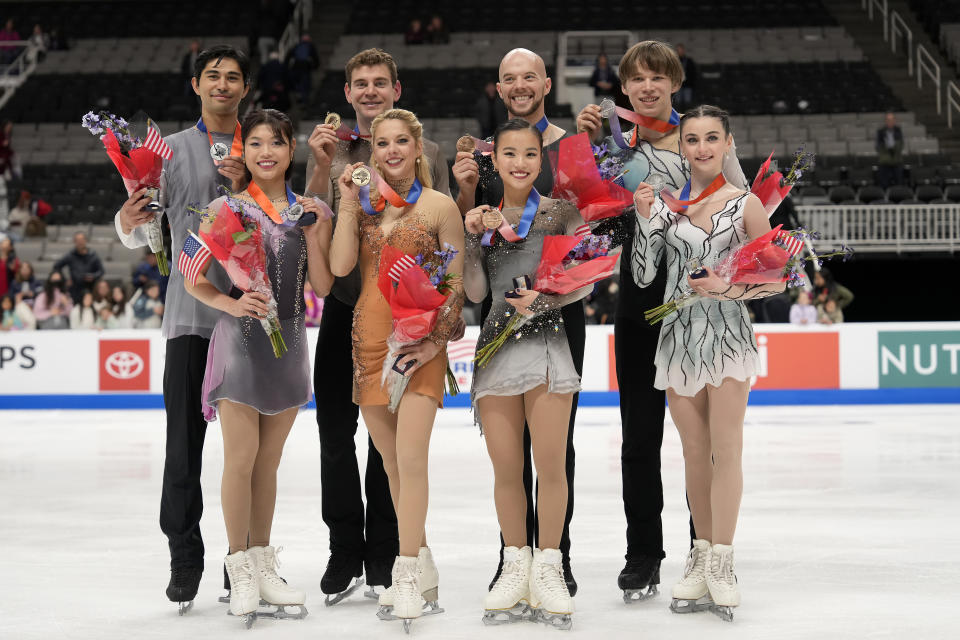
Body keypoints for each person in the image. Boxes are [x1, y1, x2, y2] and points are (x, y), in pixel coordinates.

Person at [303, 47, 453, 603]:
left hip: (405, 313)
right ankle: (344, 547)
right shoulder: (327, 151)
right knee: (336, 433)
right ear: (347, 94)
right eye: (360, 83)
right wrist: (320, 169)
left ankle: (389, 549)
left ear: (397, 89)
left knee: (387, 445)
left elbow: (438, 229)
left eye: (380, 83)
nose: (370, 91)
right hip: (347, 307)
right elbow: (309, 224)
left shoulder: (424, 149)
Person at [632, 105, 784, 621]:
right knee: (694, 453)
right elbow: (642, 274)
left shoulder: (745, 204)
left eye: (710, 138)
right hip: (677, 339)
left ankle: (722, 559)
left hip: (726, 337)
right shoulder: (669, 207)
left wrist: (728, 287)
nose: (700, 148)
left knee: (725, 448)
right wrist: (645, 220)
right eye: (691, 139)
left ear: (727, 143)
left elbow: (779, 279)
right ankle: (699, 552)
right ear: (683, 146)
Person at [113, 44, 251, 612]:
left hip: (249, 319)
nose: (223, 84)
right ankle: (185, 553)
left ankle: (241, 559)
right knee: (183, 448)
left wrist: (250, 187)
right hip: (190, 321)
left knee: (248, 455)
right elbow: (144, 230)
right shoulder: (166, 151)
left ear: (245, 87)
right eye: (213, 76)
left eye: (233, 77)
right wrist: (128, 219)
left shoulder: (262, 144)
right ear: (196, 84)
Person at [185, 108, 333, 625]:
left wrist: (316, 230)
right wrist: (230, 305)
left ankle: (265, 562)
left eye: (276, 143)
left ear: (291, 150)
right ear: (242, 152)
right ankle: (240, 568)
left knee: (268, 466)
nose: (265, 152)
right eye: (256, 144)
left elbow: (324, 286)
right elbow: (191, 279)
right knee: (240, 461)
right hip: (240, 345)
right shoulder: (220, 208)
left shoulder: (308, 210)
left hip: (289, 344)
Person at [453, 47, 582, 596]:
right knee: (507, 469)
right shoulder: (483, 215)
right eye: (509, 154)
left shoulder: (562, 211)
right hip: (497, 347)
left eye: (530, 153)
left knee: (553, 464)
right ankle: (514, 564)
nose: (520, 163)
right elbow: (478, 291)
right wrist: (469, 235)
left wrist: (546, 300)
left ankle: (551, 564)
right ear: (495, 160)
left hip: (551, 344)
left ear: (541, 154)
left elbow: (586, 278)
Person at [329, 108, 464, 629]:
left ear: (416, 147)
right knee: (388, 464)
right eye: (381, 143)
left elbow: (453, 285)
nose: (390, 151)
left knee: (410, 459)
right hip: (368, 343)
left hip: (418, 349)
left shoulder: (439, 206)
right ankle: (422, 560)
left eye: (400, 142)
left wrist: (433, 344)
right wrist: (345, 204)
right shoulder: (363, 207)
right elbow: (341, 268)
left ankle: (405, 571)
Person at [576, 40, 698, 600]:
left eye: (658, 77)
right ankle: (643, 552)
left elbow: (744, 205)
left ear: (674, 82)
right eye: (637, 79)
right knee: (639, 435)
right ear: (623, 89)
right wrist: (585, 149)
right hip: (640, 301)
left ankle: (707, 549)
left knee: (702, 440)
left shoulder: (703, 136)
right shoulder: (614, 147)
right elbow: (591, 214)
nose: (647, 86)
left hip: (697, 300)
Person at [52, 231, 104, 303]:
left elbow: (101, 271)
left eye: (82, 240)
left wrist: (93, 276)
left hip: (90, 286)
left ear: (86, 240)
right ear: (74, 242)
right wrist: (65, 280)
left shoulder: (93, 255)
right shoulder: (70, 255)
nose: (80, 242)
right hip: (75, 288)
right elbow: (57, 266)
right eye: (77, 240)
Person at [285, 34, 319, 104]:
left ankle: (298, 95)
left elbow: (288, 55)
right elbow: (315, 57)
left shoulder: (297, 46)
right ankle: (304, 100)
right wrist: (315, 66)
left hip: (296, 67)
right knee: (305, 83)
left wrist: (287, 66)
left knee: (297, 82)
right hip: (305, 67)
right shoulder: (310, 46)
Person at [875, 112, 904, 189]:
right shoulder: (881, 132)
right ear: (886, 121)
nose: (890, 122)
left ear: (894, 120)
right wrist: (886, 146)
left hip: (896, 161)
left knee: (899, 184)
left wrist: (893, 146)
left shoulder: (898, 131)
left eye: (892, 120)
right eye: (888, 120)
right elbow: (877, 147)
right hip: (885, 162)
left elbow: (901, 145)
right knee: (884, 184)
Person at [675, 44, 698, 111]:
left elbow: (693, 73)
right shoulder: (675, 60)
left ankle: (687, 116)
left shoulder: (689, 61)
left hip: (687, 85)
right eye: (678, 50)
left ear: (684, 50)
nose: (680, 51)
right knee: (677, 102)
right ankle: (678, 116)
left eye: (681, 50)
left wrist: (691, 83)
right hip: (678, 85)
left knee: (687, 101)